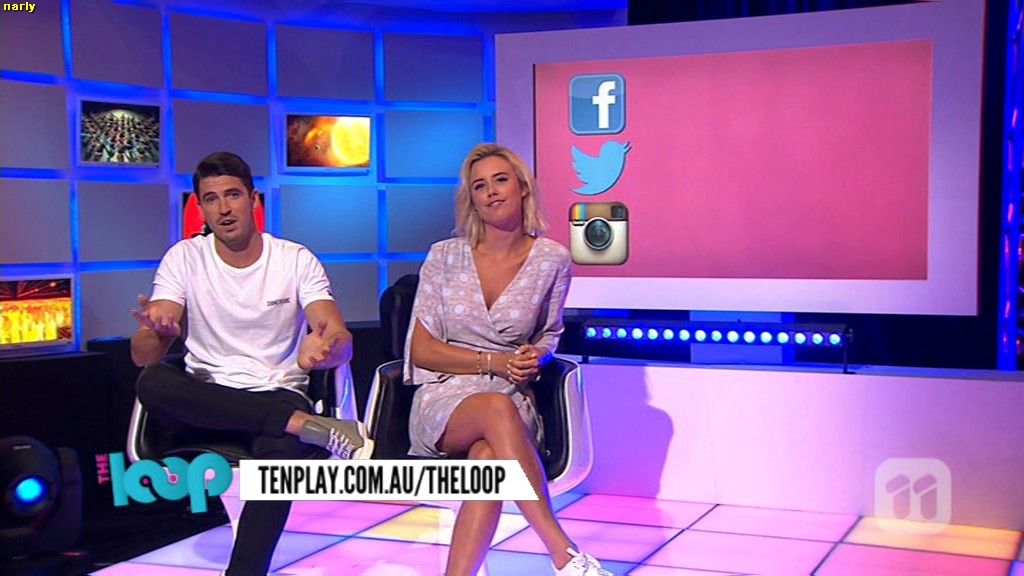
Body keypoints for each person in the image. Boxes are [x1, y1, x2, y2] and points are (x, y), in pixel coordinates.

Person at [129, 151, 373, 576]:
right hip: (206, 400)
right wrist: (157, 331)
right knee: (152, 382)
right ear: (200, 208)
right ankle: (302, 424)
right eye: (211, 199)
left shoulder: (294, 259)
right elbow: (143, 355)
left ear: (253, 199)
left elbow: (338, 337)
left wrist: (326, 349)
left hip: (276, 391)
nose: (224, 208)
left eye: (233, 195)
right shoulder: (184, 257)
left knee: (277, 462)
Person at [405, 143, 612, 576]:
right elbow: (422, 350)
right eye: (480, 186)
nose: (492, 192)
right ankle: (563, 553)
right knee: (495, 409)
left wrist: (539, 355)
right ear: (472, 199)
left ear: (522, 188)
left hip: (512, 399)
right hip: (445, 399)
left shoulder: (552, 259)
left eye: (500, 180)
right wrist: (493, 363)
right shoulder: (444, 256)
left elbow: (550, 332)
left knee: (487, 460)